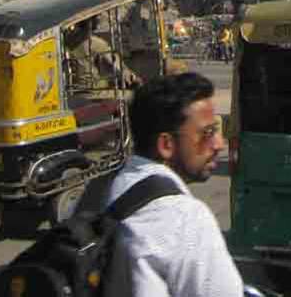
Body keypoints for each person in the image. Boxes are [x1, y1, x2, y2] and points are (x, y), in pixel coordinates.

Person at [104, 72, 244, 297]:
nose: (219, 144)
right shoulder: (184, 217)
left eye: (217, 129)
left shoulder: (110, 186)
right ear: (166, 144)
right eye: (207, 133)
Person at [65, 17, 140, 93]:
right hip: (93, 90)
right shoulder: (94, 44)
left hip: (73, 90)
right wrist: (132, 78)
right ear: (90, 24)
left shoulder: (66, 44)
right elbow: (115, 63)